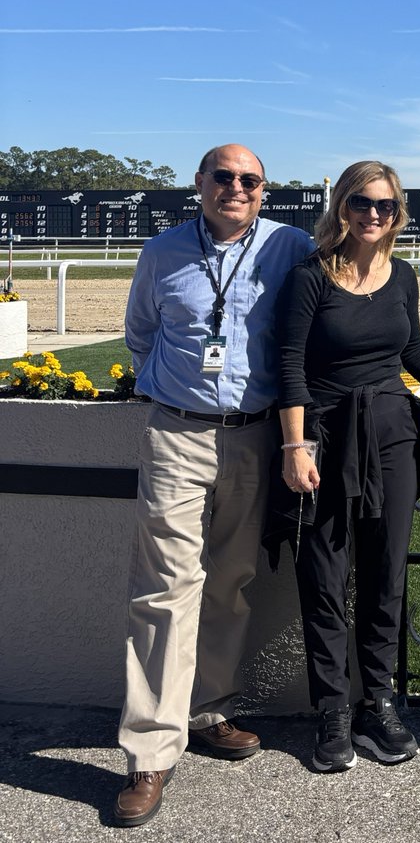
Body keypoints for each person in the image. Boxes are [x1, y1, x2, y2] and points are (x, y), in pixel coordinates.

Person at [274, 161, 420, 773]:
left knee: (386, 575)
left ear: (397, 212)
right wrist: (294, 446)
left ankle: (377, 703)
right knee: (325, 579)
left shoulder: (401, 274)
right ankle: (332, 713)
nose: (372, 214)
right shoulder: (310, 277)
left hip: (394, 438)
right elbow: (291, 367)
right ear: (341, 207)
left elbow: (414, 350)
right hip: (327, 438)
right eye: (361, 202)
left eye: (385, 205)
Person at [117, 145, 315, 826]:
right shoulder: (162, 251)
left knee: (229, 582)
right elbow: (140, 335)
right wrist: (181, 393)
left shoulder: (289, 246)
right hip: (177, 433)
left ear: (265, 192)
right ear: (199, 184)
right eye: (223, 177)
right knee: (165, 589)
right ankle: (149, 751)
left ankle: (209, 711)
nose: (236, 188)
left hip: (258, 435)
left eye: (249, 180)